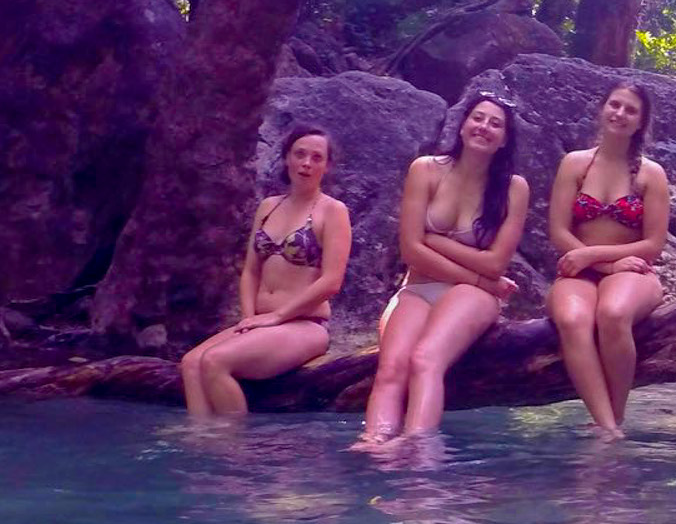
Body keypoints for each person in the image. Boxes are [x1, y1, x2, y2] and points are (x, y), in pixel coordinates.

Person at [357, 96, 530, 444]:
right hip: (421, 288)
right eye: (477, 118)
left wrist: (433, 241)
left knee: (425, 359)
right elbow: (410, 252)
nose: (484, 127)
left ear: (505, 139)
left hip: (473, 296)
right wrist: (481, 276)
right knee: (391, 370)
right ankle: (374, 446)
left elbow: (497, 263)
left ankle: (418, 452)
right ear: (463, 123)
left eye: (495, 124)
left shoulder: (514, 188)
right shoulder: (426, 169)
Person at [181, 127, 351, 416]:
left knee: (215, 362)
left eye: (316, 157)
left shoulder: (333, 211)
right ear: (286, 158)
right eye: (299, 154)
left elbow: (331, 282)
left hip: (304, 325)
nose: (306, 163)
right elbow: (250, 270)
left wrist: (278, 317)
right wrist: (249, 319)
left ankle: (237, 449)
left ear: (327, 166)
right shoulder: (268, 207)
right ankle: (202, 445)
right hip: (261, 321)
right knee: (190, 363)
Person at [546, 82, 671, 439]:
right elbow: (558, 232)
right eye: (614, 105)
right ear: (602, 109)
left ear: (641, 122)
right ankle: (607, 427)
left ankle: (615, 417)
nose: (620, 114)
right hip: (580, 271)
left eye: (630, 110)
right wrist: (602, 265)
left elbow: (653, 244)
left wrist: (597, 256)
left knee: (614, 314)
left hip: (634, 270)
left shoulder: (651, 174)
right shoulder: (575, 164)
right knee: (572, 319)